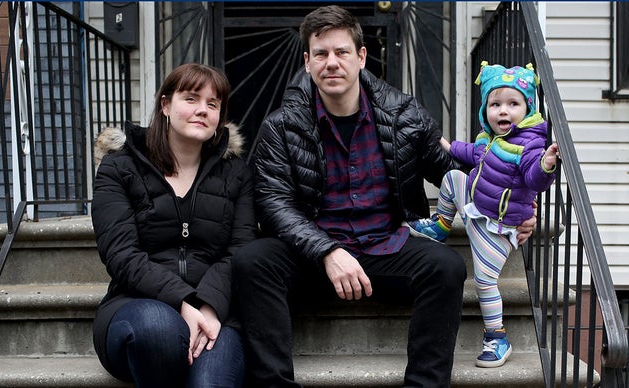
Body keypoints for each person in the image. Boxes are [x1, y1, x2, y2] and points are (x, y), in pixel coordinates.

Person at [232, 6, 537, 387]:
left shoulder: (402, 113)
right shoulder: (281, 125)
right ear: (307, 62)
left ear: (361, 57)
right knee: (251, 262)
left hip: (384, 246)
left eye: (342, 52)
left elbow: (451, 171)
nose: (332, 63)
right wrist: (326, 251)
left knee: (446, 268)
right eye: (321, 54)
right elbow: (273, 202)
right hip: (314, 255)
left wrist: (513, 206)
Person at [91, 63, 256, 387]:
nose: (202, 110)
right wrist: (183, 301)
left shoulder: (237, 173)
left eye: (213, 104)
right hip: (136, 306)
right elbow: (121, 254)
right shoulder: (119, 167)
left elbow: (241, 250)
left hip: (217, 311)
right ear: (165, 105)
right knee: (157, 329)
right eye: (191, 99)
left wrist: (207, 305)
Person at [406, 61, 558, 368]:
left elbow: (533, 178)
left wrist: (546, 165)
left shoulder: (529, 146)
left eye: (513, 104)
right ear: (485, 109)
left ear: (527, 109)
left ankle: (497, 337)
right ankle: (440, 225)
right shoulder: (488, 139)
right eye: (495, 104)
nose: (503, 111)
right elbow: (467, 153)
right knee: (452, 178)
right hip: (478, 208)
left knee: (485, 282)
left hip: (499, 228)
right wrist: (444, 143)